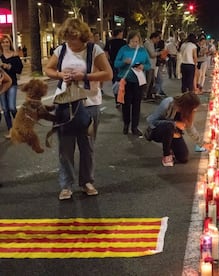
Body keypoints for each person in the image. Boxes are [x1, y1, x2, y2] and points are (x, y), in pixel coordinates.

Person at [44, 18, 112, 200]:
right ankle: (66, 185)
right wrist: (60, 74)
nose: (70, 43)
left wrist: (85, 76)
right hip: (64, 103)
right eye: (67, 38)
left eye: (73, 38)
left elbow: (108, 73)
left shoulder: (94, 50)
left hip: (89, 103)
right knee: (65, 147)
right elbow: (48, 69)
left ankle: (87, 182)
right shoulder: (61, 50)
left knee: (86, 145)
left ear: (82, 36)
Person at [146, 92, 212, 167]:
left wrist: (202, 144)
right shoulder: (167, 104)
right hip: (157, 131)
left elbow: (190, 128)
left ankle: (172, 146)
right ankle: (166, 155)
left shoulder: (187, 112)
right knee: (169, 126)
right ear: (187, 106)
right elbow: (152, 121)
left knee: (183, 158)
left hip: (174, 133)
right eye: (193, 108)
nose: (195, 110)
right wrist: (175, 123)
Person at [114, 31, 151, 136]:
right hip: (126, 81)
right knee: (126, 105)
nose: (135, 43)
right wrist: (124, 62)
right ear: (128, 40)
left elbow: (148, 64)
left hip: (138, 82)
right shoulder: (123, 49)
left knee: (137, 105)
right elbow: (116, 63)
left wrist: (143, 67)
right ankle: (126, 124)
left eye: (137, 41)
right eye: (133, 41)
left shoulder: (142, 50)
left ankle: (135, 127)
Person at [0, 34, 23, 139]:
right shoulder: (0, 57)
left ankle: (19, 126)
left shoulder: (15, 56)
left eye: (7, 42)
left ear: (10, 43)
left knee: (12, 107)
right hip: (1, 85)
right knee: (5, 109)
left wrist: (8, 66)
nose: (5, 44)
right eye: (3, 42)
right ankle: (10, 130)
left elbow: (19, 69)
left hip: (12, 83)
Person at [104, 28, 126, 106]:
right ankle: (122, 98)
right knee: (123, 82)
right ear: (119, 33)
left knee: (115, 82)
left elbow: (106, 53)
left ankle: (117, 100)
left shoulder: (109, 42)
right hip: (122, 64)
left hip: (113, 64)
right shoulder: (124, 42)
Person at [143, 32, 161, 100]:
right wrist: (160, 53)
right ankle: (145, 95)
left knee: (152, 81)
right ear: (153, 38)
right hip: (149, 64)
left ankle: (149, 94)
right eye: (157, 38)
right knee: (148, 80)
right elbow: (152, 54)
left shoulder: (152, 44)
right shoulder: (148, 43)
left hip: (152, 65)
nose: (158, 40)